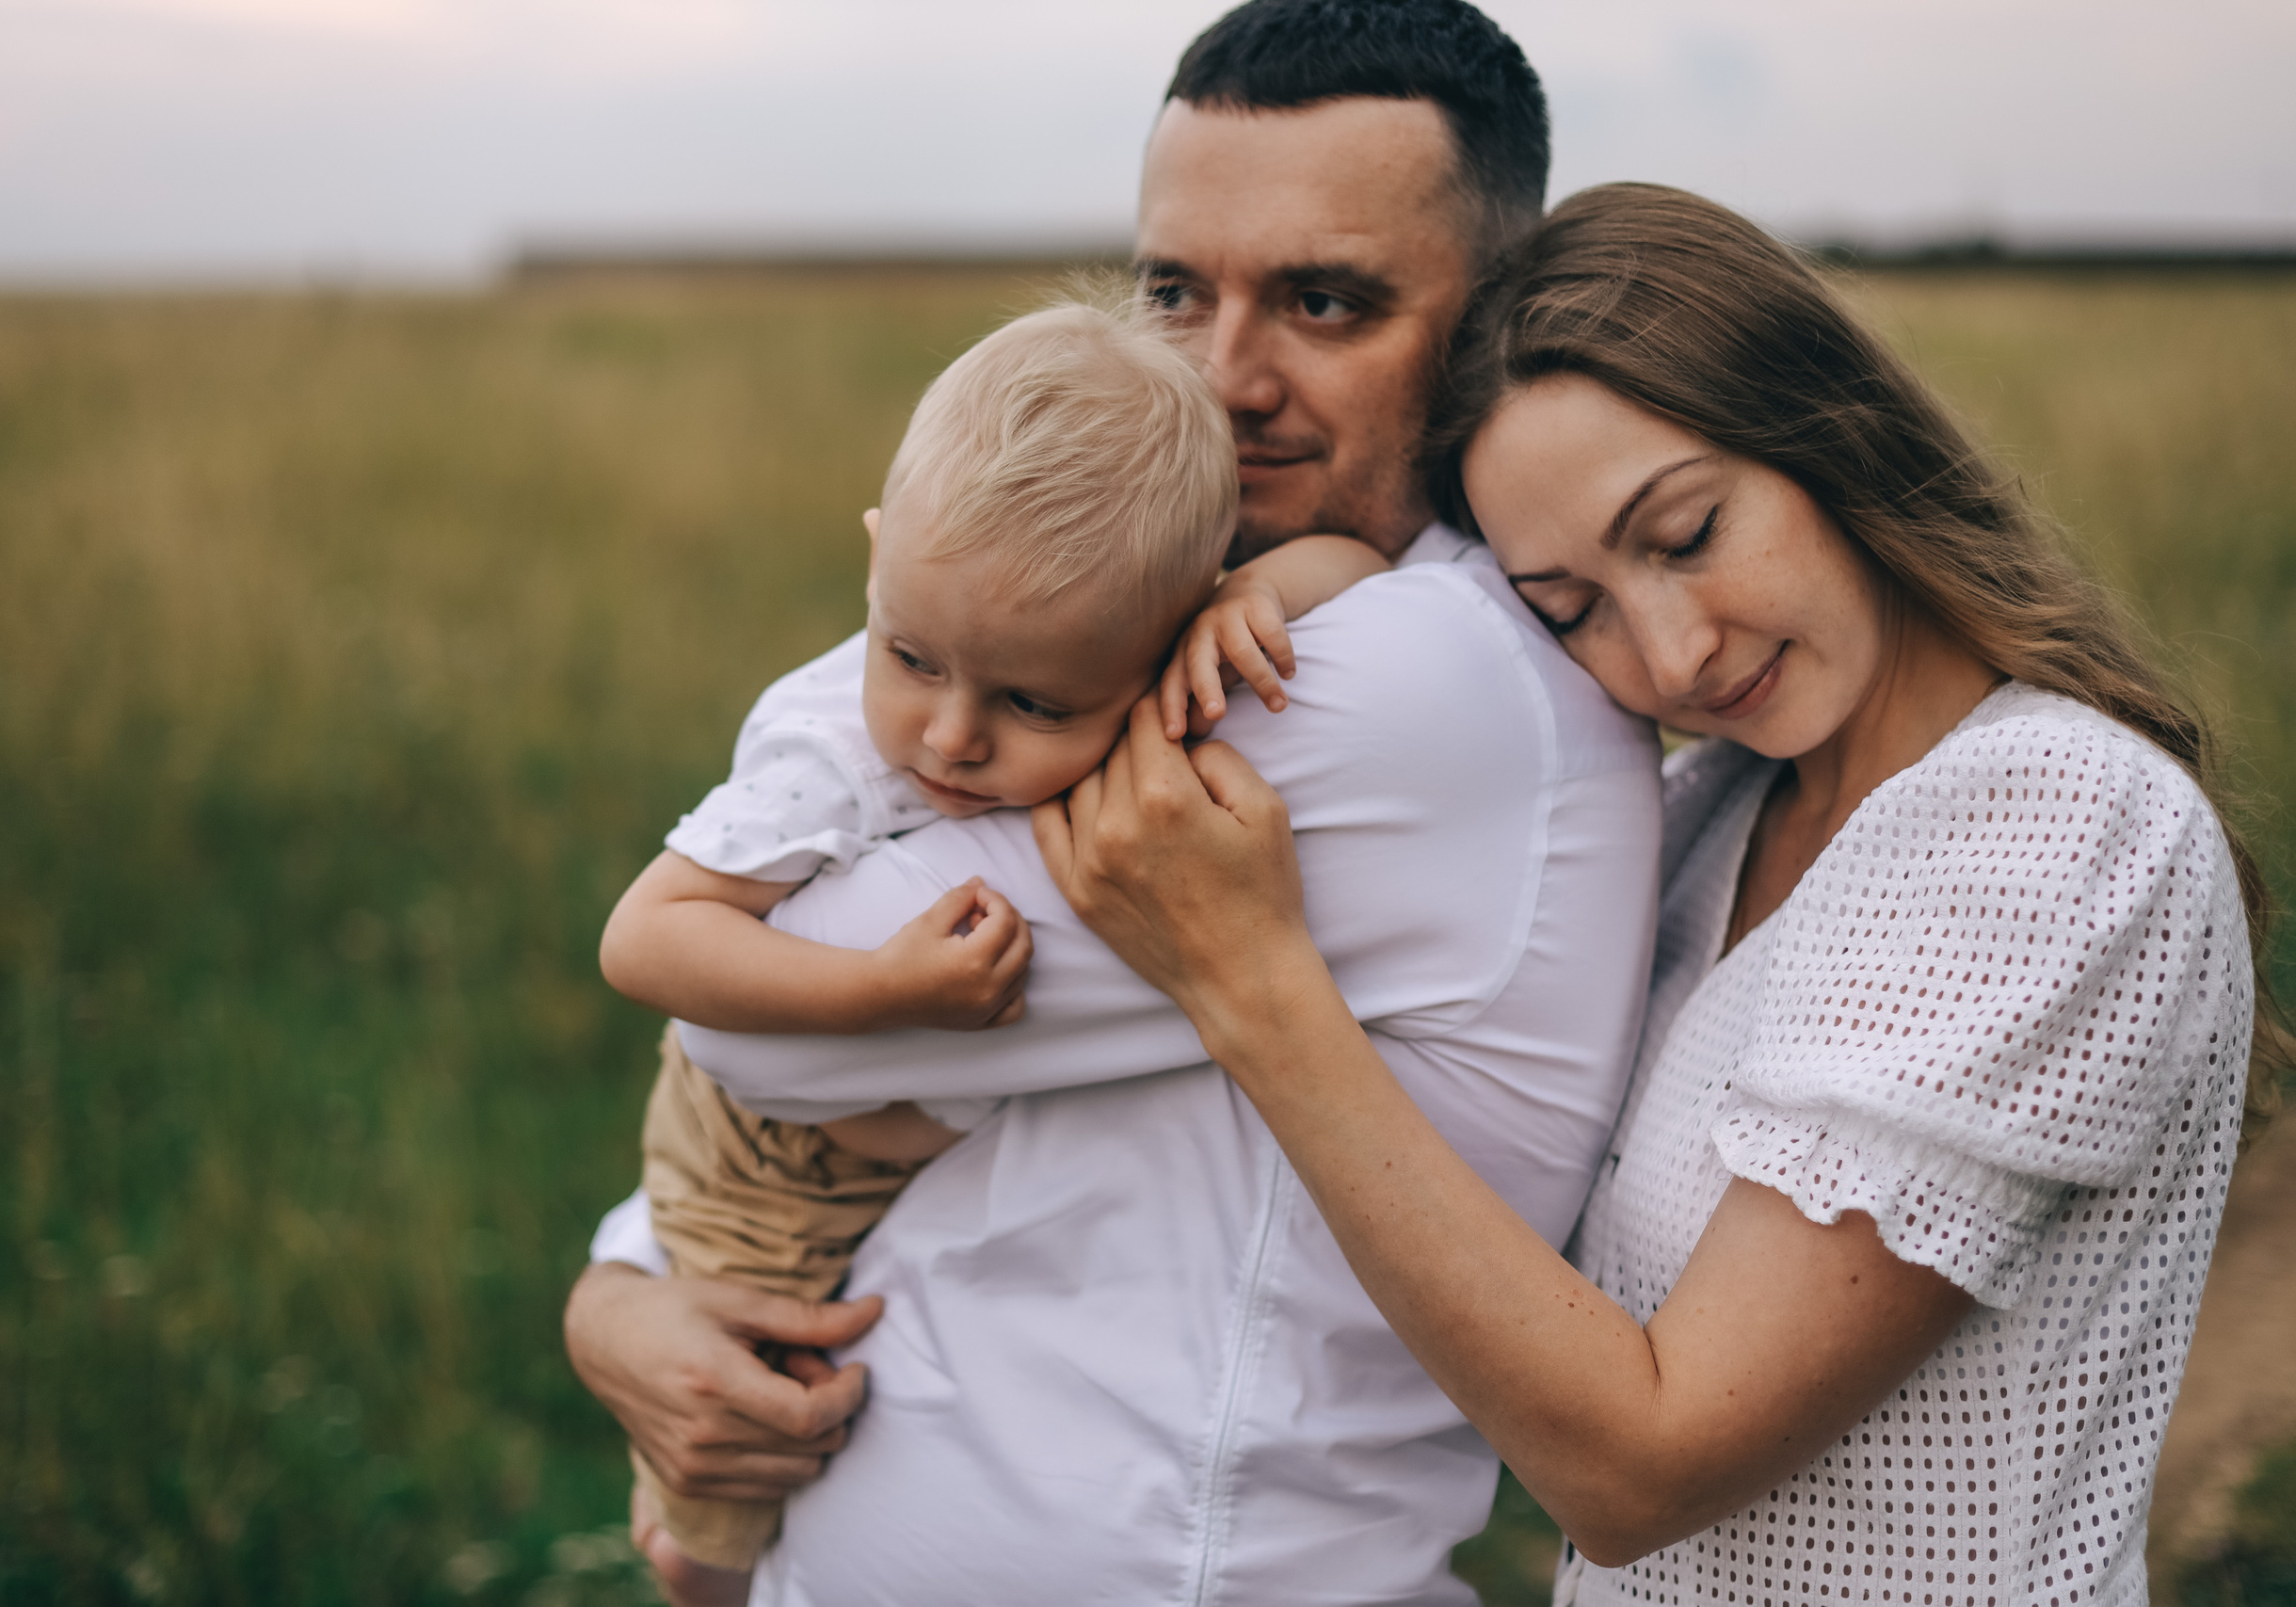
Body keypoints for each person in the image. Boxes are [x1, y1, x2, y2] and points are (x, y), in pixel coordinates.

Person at [1039, 183, 2277, 1607]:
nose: (1675, 654)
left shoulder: (2061, 821)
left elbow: (1642, 1466)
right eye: (1573, 611)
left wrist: (1254, 989)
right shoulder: (1711, 815)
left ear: (1830, 429)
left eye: (1686, 534)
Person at [570, 4, 1662, 1602]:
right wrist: (627, 1291)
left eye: (1325, 302)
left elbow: (759, 1031)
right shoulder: (1137, 624)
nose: (1221, 378)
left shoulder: (1393, 682)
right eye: (1173, 292)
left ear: (1495, 319)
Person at [593, 296, 1255, 1577]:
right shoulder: (832, 756)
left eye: (1034, 704)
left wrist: (1259, 598)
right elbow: (648, 942)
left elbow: (1348, 576)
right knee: (739, 1460)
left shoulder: (1086, 640)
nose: (951, 737)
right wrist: (880, 989)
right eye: (909, 656)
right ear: (876, 559)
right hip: (768, 1167)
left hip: (883, 1163)